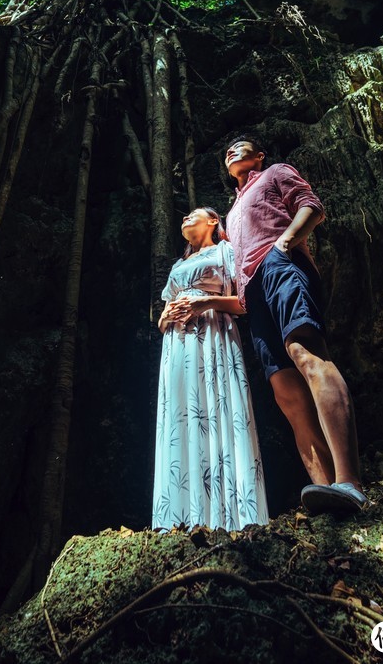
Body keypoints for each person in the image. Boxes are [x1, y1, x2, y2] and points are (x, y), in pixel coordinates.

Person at [223, 134, 366, 515]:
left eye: (242, 145)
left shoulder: (274, 173)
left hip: (281, 265)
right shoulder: (231, 212)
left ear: (260, 154)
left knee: (306, 355)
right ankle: (324, 492)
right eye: (227, 150)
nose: (231, 150)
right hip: (252, 291)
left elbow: (311, 206)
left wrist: (284, 244)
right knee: (284, 391)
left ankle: (349, 482)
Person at [152, 207, 269, 531]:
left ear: (213, 221)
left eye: (193, 214)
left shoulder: (225, 251)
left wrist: (205, 302)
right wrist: (165, 318)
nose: (185, 218)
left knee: (217, 411)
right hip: (178, 346)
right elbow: (163, 316)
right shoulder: (178, 265)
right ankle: (181, 520)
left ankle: (232, 519)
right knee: (181, 417)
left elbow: (244, 302)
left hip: (214, 335)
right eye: (183, 216)